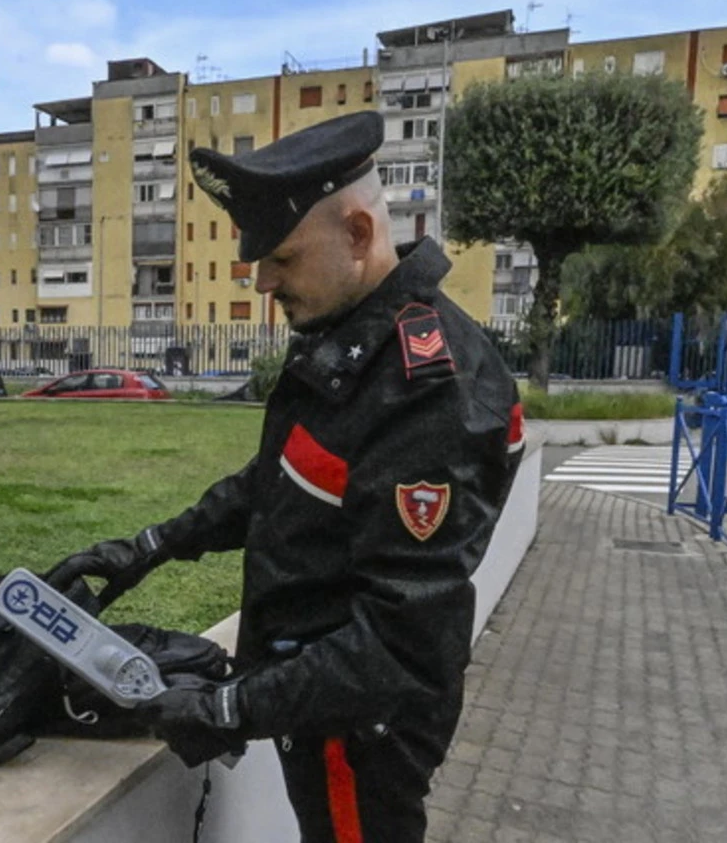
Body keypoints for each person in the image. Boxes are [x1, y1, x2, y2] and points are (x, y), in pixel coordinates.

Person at [56, 111, 525, 842]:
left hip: (359, 731)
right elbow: (279, 482)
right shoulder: (353, 339)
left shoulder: (428, 388)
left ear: (360, 235)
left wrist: (226, 711)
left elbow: (400, 642)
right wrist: (150, 544)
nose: (262, 278)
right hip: (318, 703)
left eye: (281, 255)